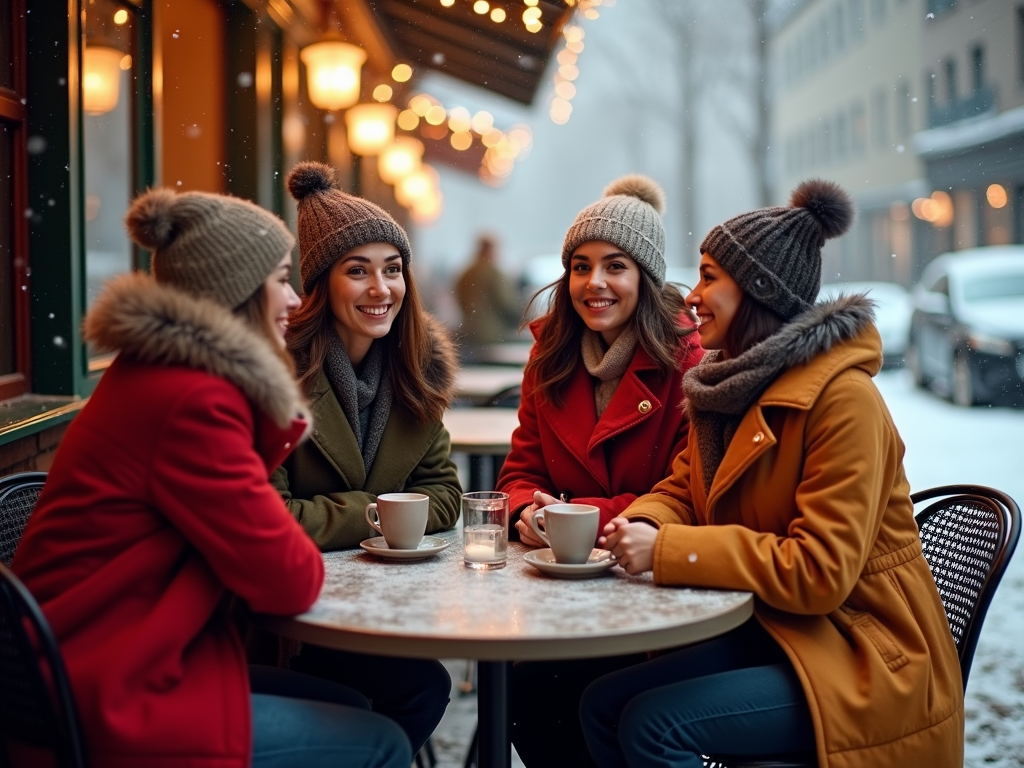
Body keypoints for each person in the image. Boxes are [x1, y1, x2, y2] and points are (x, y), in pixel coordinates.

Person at [10, 188, 411, 768]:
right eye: (280, 279)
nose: (296, 300)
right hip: (112, 690)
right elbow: (288, 581)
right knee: (382, 743)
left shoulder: (155, 375)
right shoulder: (192, 401)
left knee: (361, 702)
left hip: (105, 660)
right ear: (239, 293)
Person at [581, 179, 964, 768]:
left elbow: (820, 571)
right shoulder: (728, 387)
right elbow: (682, 489)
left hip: (865, 656)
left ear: (757, 291)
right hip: (782, 634)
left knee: (655, 727)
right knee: (601, 704)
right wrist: (637, 522)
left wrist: (669, 550)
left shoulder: (843, 401)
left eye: (710, 277)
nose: (691, 297)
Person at [495, 175, 704, 768]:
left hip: (652, 592)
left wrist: (577, 517)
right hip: (562, 593)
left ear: (645, 276)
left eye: (615, 266)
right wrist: (527, 511)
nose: (595, 283)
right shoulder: (551, 354)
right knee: (523, 699)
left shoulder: (685, 363)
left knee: (577, 698)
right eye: (581, 266)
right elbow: (520, 468)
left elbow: (685, 490)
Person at [273, 161, 459, 754]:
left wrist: (359, 514)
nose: (381, 290)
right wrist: (376, 514)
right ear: (321, 284)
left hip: (370, 608)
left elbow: (448, 496)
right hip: (288, 615)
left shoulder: (415, 372)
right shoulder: (280, 376)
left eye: (393, 270)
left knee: (424, 685)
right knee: (406, 689)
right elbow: (271, 515)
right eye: (358, 272)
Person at [455, 233, 521, 346]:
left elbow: (460, 300)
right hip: (491, 334)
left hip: (469, 331)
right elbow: (506, 303)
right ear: (490, 250)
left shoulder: (465, 273)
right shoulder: (493, 273)